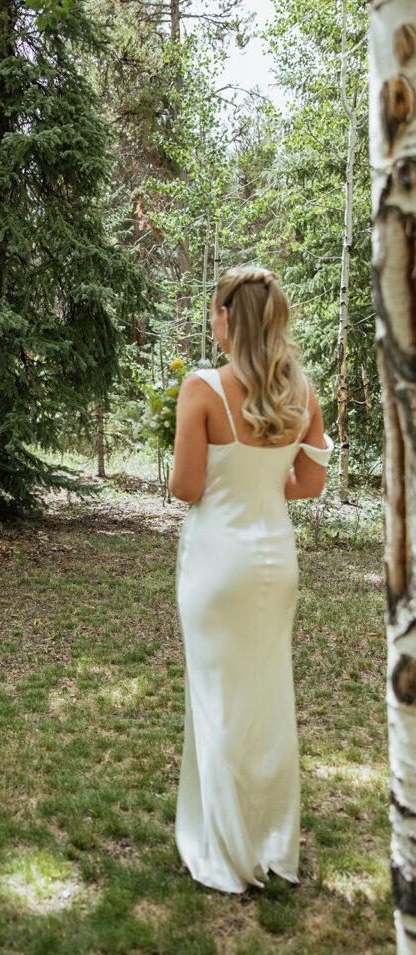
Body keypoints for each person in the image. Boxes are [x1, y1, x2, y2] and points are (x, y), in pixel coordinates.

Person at [169, 266, 333, 893]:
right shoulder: (302, 393)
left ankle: (226, 850)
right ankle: (271, 841)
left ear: (229, 319)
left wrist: (223, 474)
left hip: (217, 562)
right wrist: (264, 485)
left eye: (215, 310)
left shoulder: (202, 388)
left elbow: (187, 487)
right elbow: (309, 484)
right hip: (276, 561)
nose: (212, 320)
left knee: (217, 699)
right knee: (268, 700)